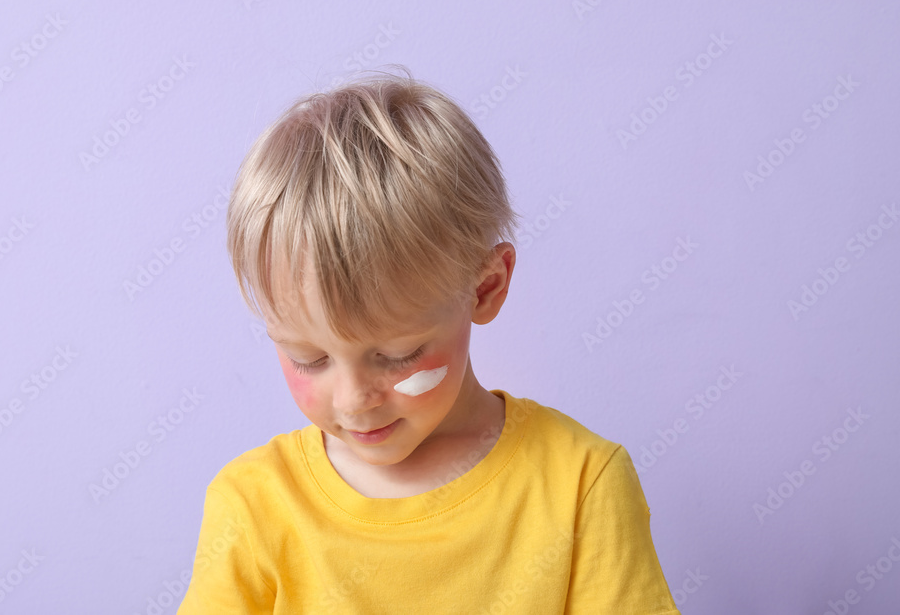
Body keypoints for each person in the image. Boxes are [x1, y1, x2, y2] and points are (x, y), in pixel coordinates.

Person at [177, 67, 680, 613]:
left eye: (397, 355)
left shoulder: (580, 485)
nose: (352, 399)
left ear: (485, 288)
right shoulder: (254, 505)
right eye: (310, 358)